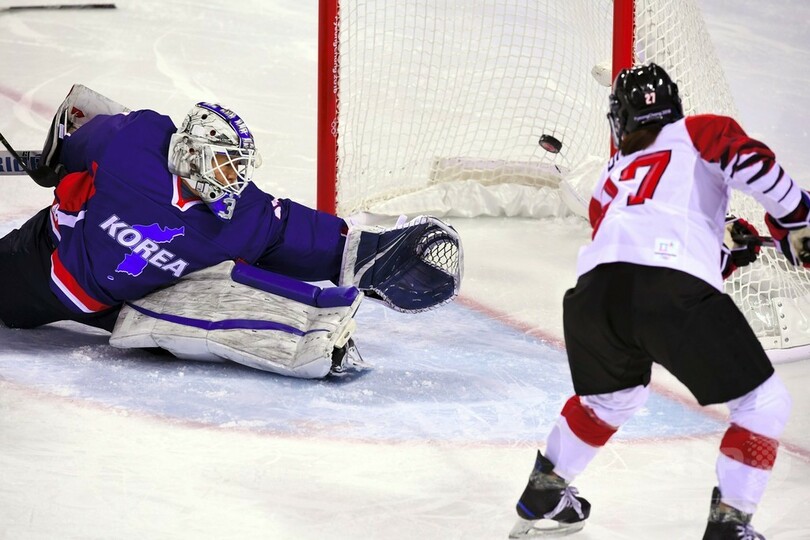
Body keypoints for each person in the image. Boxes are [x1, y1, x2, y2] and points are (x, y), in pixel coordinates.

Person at [509, 63, 803, 539]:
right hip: (666, 289)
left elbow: (635, 248)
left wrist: (724, 254)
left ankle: (544, 491)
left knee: (608, 400)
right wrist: (796, 219)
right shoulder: (700, 131)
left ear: (620, 119)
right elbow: (749, 161)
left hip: (593, 298)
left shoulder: (610, 176)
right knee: (762, 403)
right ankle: (729, 527)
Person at [0, 85, 462, 377]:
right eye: (224, 163)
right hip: (43, 263)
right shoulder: (132, 141)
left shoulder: (243, 213)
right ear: (191, 154)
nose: (233, 178)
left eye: (238, 167)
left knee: (219, 306)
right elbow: (80, 124)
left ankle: (312, 341)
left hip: (124, 307)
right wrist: (58, 162)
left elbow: (292, 233)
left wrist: (369, 254)